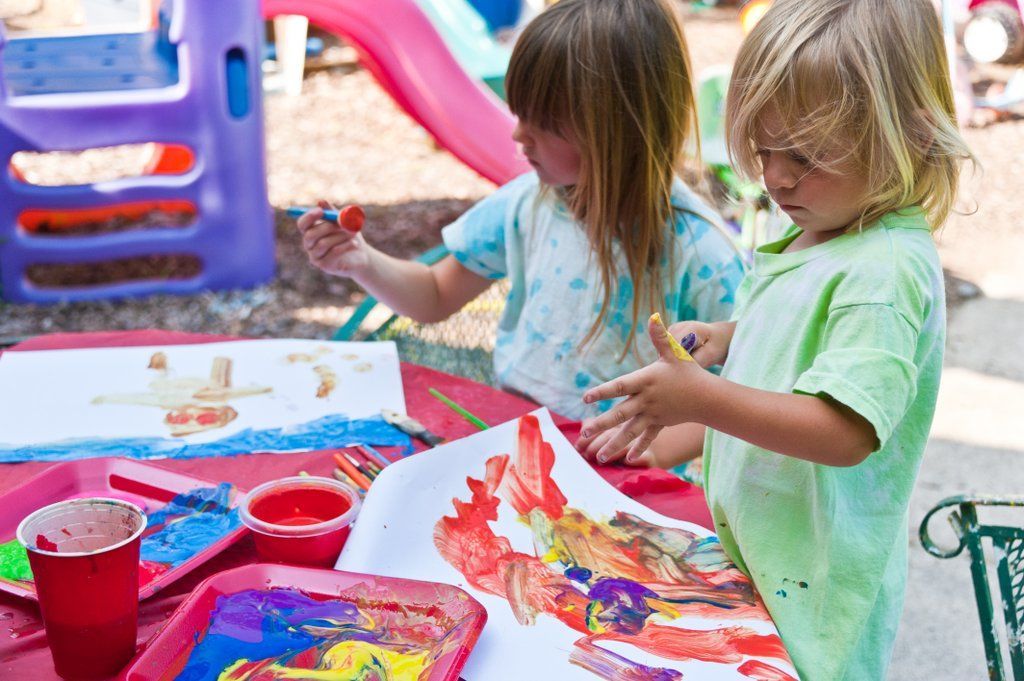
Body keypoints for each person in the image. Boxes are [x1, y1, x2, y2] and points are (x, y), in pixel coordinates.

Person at [576, 0, 976, 678]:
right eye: (762, 150)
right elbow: (817, 329)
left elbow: (844, 428)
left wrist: (702, 398)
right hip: (764, 563)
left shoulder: (884, 271)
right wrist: (733, 338)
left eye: (806, 155)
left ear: (908, 134)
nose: (777, 177)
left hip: (812, 607)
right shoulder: (831, 229)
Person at [296, 0, 743, 426]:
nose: (517, 134)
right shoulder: (529, 202)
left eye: (542, 124)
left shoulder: (699, 251)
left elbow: (739, 400)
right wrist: (362, 260)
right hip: (523, 443)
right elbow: (433, 296)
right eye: (518, 112)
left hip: (629, 479)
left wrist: (650, 452)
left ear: (618, 129)